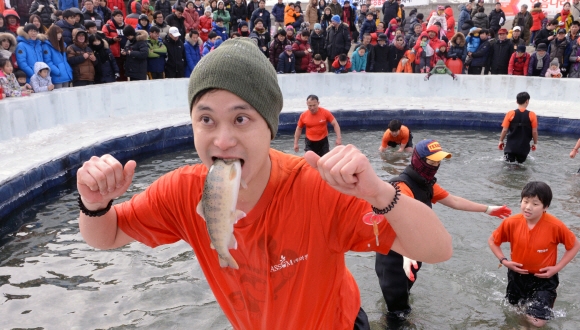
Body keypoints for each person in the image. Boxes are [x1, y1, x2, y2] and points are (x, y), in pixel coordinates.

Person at [75, 37, 453, 330]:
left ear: (268, 127)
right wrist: (94, 204)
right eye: (206, 120)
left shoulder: (315, 187)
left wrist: (378, 193)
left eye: (241, 119)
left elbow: (437, 249)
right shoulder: (183, 191)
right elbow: (106, 235)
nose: (222, 140)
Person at [376, 138, 511, 324]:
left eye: (438, 162)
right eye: (431, 162)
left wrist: (487, 209)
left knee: (402, 300)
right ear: (418, 161)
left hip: (413, 253)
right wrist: (408, 254)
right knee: (398, 313)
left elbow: (453, 201)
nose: (435, 166)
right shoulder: (401, 187)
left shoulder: (426, 184)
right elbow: (399, 224)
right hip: (395, 258)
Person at [488, 181, 579, 328]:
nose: (528, 207)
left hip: (544, 279)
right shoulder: (512, 222)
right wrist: (504, 261)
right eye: (525, 202)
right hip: (516, 276)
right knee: (514, 312)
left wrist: (557, 268)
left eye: (535, 204)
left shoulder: (555, 226)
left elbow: (575, 245)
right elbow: (493, 240)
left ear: (545, 207)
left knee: (537, 321)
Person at [498, 92, 538, 164]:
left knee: (508, 166)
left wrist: (501, 141)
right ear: (527, 101)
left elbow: (504, 130)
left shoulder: (510, 113)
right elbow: (534, 131)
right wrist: (535, 143)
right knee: (520, 166)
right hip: (523, 149)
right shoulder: (532, 115)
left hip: (510, 148)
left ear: (517, 101)